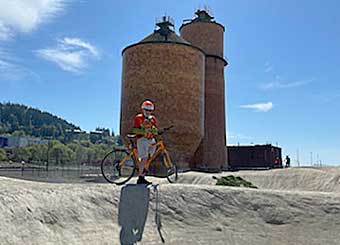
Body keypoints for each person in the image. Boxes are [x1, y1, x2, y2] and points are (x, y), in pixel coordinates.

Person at [132, 100, 158, 185]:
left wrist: (155, 131)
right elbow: (135, 130)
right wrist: (144, 131)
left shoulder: (153, 119)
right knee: (144, 157)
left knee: (152, 153)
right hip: (142, 139)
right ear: (143, 109)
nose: (148, 112)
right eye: (146, 110)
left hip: (150, 139)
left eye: (150, 110)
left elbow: (155, 129)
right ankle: (140, 177)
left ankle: (144, 167)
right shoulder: (138, 118)